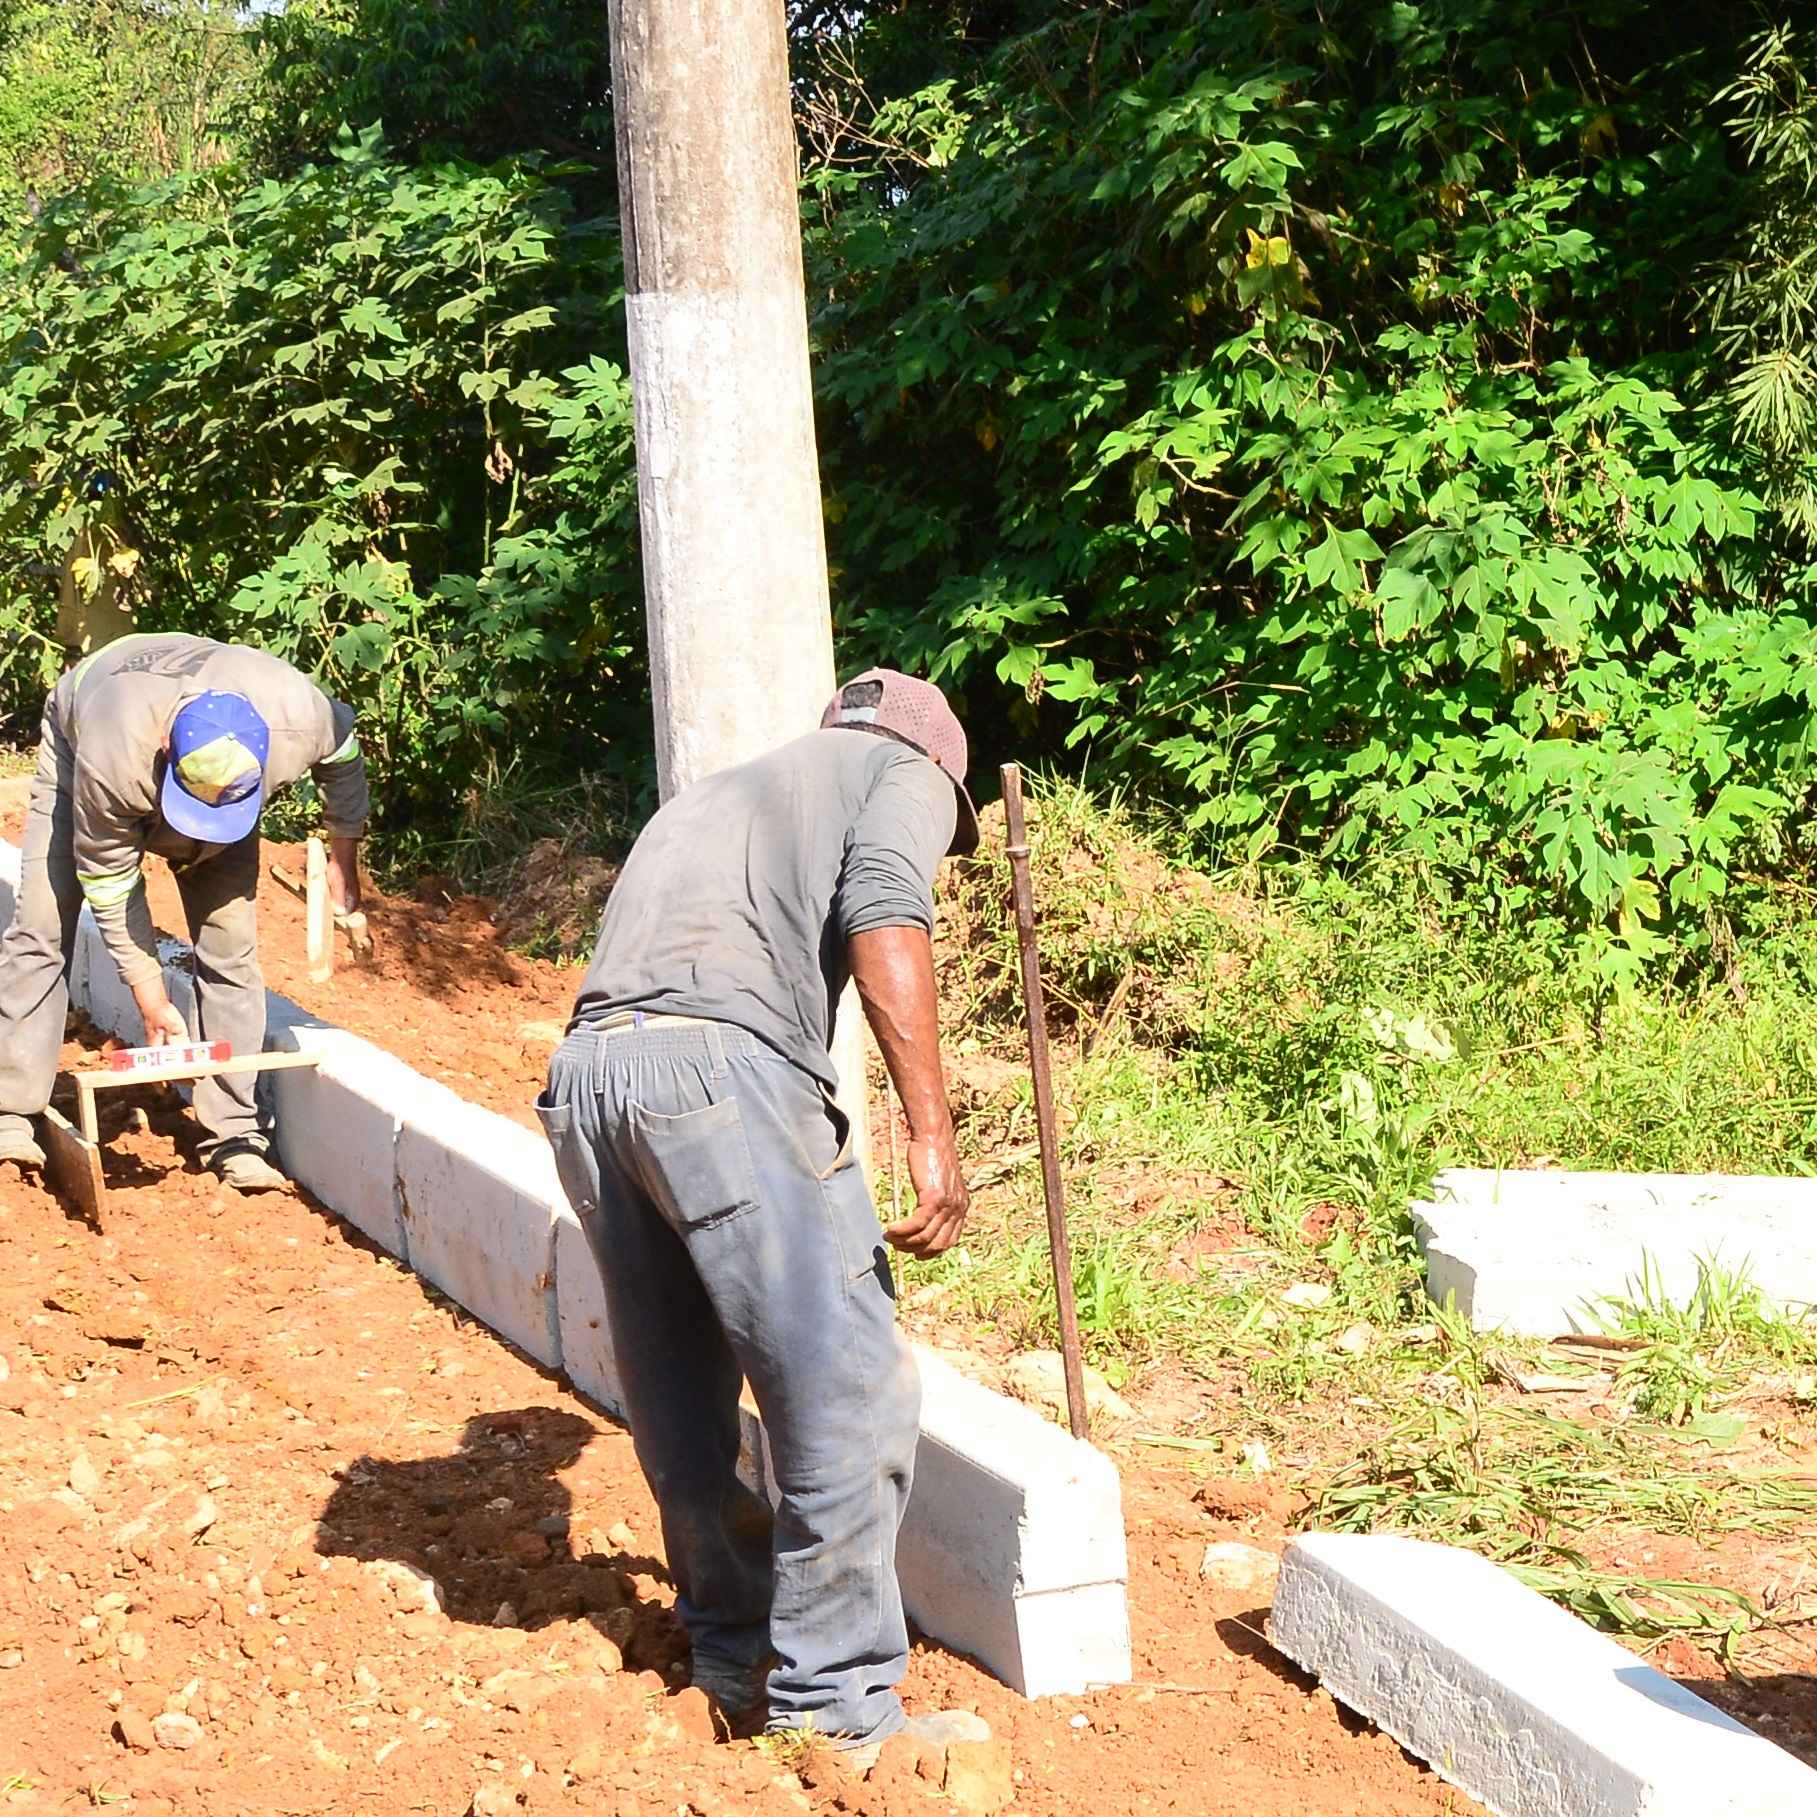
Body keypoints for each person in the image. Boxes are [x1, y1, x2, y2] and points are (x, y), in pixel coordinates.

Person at [536, 668, 984, 1762]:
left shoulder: (710, 797)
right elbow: (884, 909)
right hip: (716, 1077)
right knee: (844, 1385)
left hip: (590, 1079)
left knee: (681, 1391)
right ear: (936, 762)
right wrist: (931, 1130)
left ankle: (733, 1645)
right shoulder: (903, 770)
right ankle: (834, 1705)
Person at [0, 632, 370, 1191]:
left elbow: (344, 752)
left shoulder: (299, 719)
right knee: (44, 925)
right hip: (83, 730)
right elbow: (108, 880)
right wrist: (151, 998)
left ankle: (236, 1135)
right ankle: (10, 1112)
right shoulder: (114, 753)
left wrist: (344, 853)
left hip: (224, 794)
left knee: (231, 950)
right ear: (170, 749)